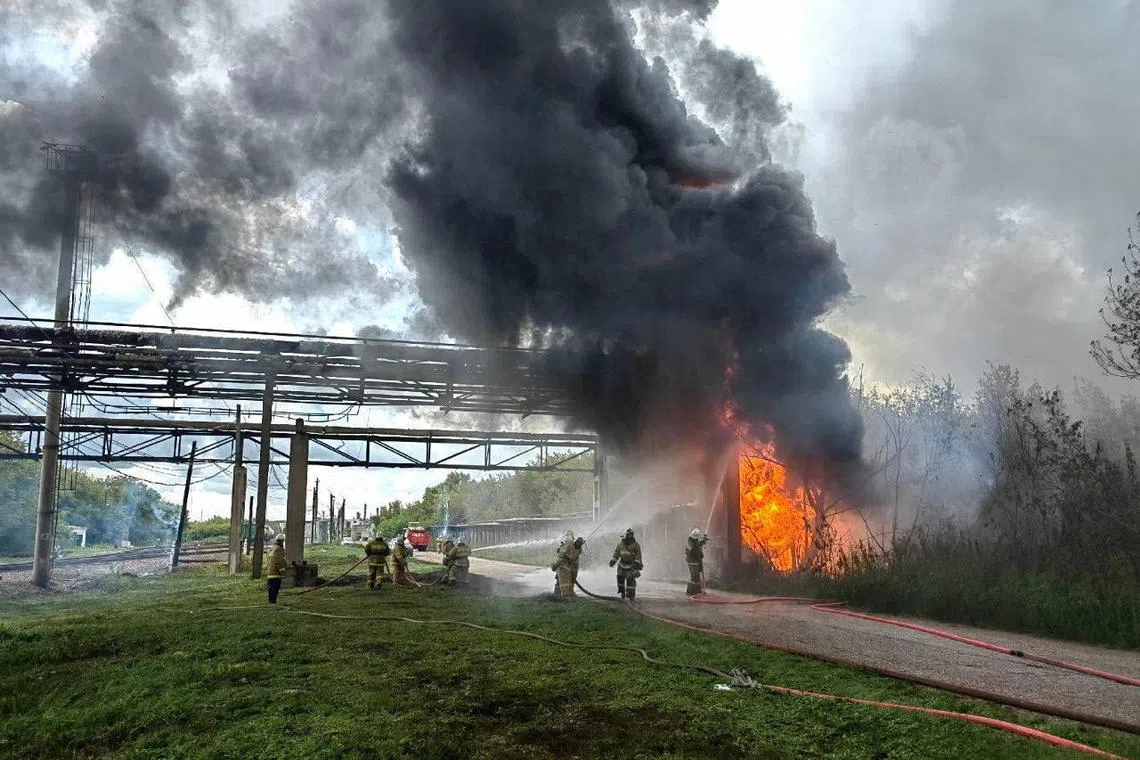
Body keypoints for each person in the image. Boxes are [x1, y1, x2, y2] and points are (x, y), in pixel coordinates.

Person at [609, 528, 643, 601]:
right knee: (620, 579)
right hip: (621, 565)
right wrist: (612, 561)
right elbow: (616, 554)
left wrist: (637, 564)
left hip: (631, 566)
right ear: (625, 535)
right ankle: (622, 592)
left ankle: (631, 595)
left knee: (630, 581)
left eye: (631, 535)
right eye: (628, 535)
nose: (630, 536)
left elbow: (638, 556)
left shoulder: (636, 545)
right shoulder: (620, 545)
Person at [550, 531, 583, 598]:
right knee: (564, 582)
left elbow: (561, 552)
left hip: (562, 566)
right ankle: (563, 596)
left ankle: (560, 594)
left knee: (562, 581)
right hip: (563, 566)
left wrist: (578, 548)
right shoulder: (569, 544)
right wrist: (578, 548)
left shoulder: (568, 545)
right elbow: (571, 557)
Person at [685, 528, 709, 596]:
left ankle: (697, 591)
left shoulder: (692, 541)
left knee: (696, 577)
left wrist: (701, 543)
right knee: (694, 577)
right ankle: (691, 592)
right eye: (697, 538)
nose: (697, 539)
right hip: (692, 561)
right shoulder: (690, 543)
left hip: (694, 561)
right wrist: (700, 555)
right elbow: (693, 551)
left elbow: (696, 546)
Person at [267, 536, 287, 603]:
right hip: (276, 573)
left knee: (271, 587)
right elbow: (279, 561)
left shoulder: (272, 549)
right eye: (282, 541)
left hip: (270, 572)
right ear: (281, 541)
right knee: (275, 587)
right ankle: (273, 601)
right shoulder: (279, 549)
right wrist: (282, 572)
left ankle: (271, 600)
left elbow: (269, 560)